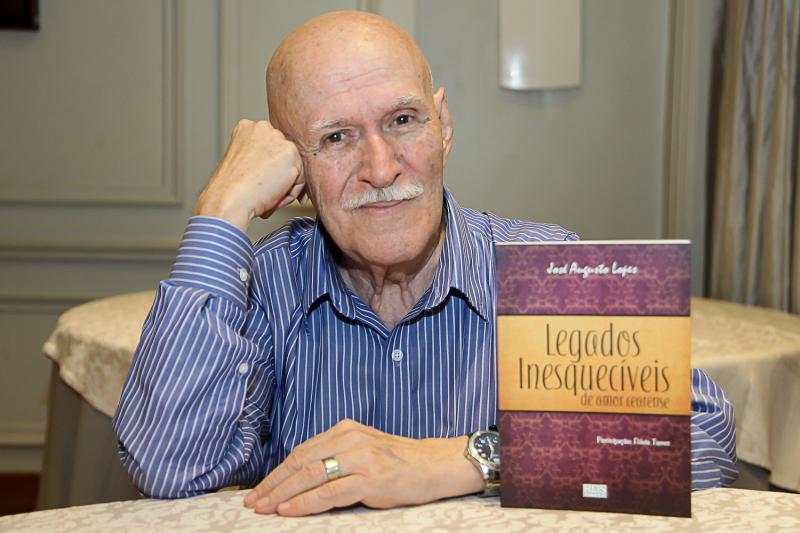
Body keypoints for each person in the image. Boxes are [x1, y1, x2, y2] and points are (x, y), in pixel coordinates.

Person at [112, 11, 737, 517]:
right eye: (336, 137)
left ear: (444, 126)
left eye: (403, 120)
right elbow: (169, 465)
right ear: (292, 166)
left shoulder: (544, 269)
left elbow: (699, 438)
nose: (382, 168)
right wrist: (222, 208)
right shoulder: (267, 284)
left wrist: (463, 461)